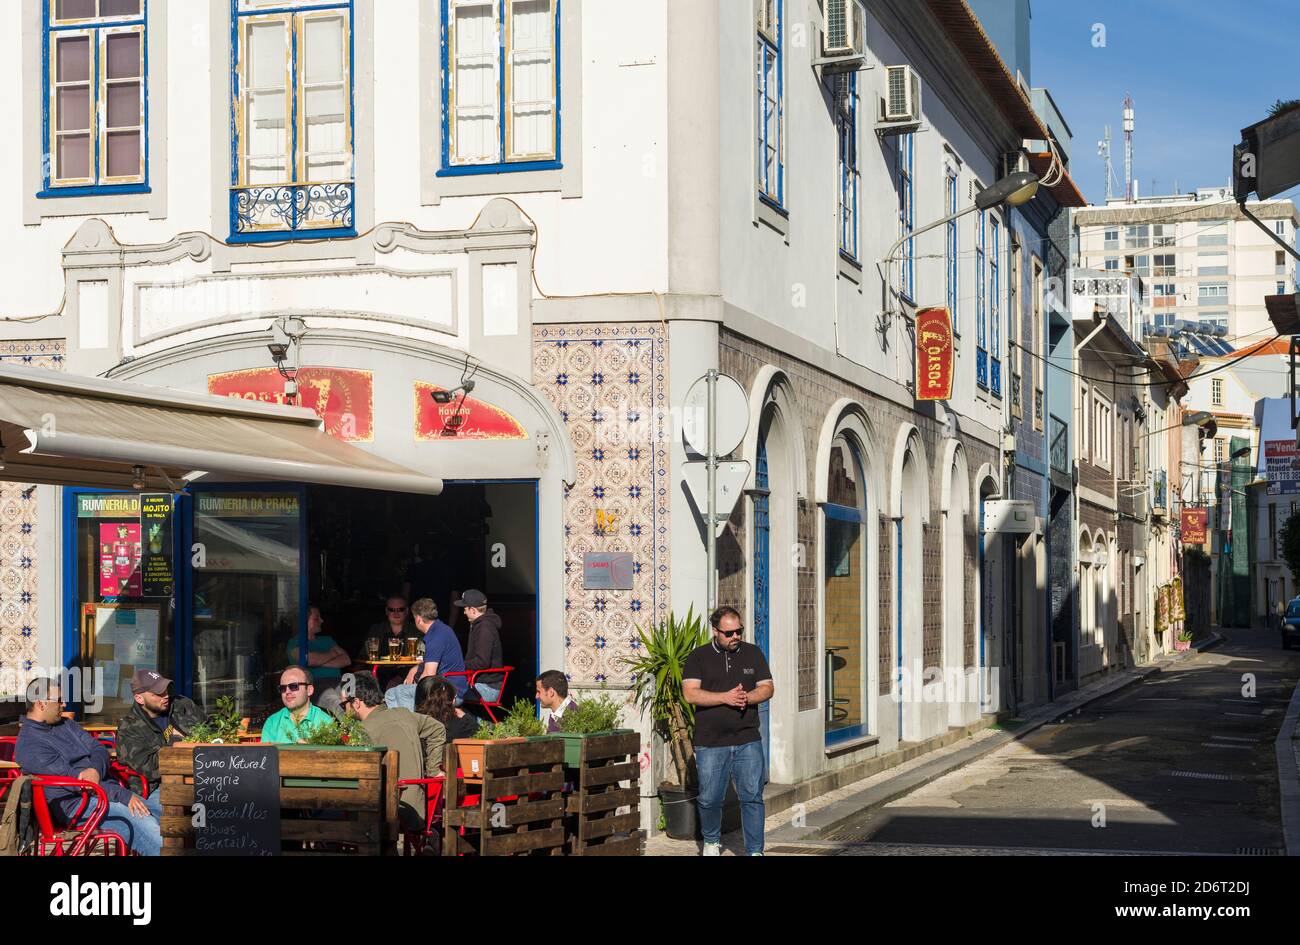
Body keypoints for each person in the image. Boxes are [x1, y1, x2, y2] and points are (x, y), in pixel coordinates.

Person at [15, 676, 163, 856]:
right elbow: (77, 782)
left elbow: (98, 748)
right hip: (77, 806)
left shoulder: (65, 724)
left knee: (166, 816)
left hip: (102, 792)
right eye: (59, 700)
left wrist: (93, 770)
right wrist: (122, 795)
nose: (64, 705)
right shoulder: (30, 744)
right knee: (145, 822)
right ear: (41, 704)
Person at [683, 605, 774, 857]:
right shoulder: (698, 657)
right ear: (715, 631)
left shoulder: (753, 653)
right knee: (710, 798)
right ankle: (711, 842)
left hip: (748, 739)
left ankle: (755, 851)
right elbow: (690, 694)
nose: (735, 637)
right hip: (711, 742)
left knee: (752, 797)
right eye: (729, 633)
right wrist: (726, 698)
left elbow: (767, 687)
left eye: (739, 631)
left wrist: (747, 696)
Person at [342, 673, 446, 832]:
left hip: (387, 815)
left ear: (356, 703)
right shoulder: (404, 714)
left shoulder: (362, 731)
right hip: (419, 809)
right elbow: (438, 729)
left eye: (344, 705)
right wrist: (433, 769)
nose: (343, 710)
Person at [115, 669, 204, 795]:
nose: (165, 695)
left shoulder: (181, 704)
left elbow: (209, 727)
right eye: (158, 693)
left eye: (165, 689)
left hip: (200, 775)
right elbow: (151, 768)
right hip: (157, 789)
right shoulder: (129, 729)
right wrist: (176, 741)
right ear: (139, 698)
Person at [386, 597, 467, 709]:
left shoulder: (435, 637)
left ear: (418, 619)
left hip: (448, 692)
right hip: (451, 686)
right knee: (394, 693)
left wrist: (415, 684)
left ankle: (415, 724)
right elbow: (430, 661)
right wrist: (413, 669)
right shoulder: (441, 629)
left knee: (397, 692)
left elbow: (429, 675)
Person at [287, 605, 350, 713]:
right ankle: (354, 729)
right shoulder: (295, 643)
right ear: (304, 621)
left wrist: (319, 661)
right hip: (316, 684)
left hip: (339, 682)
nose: (321, 620)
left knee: (357, 695)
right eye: (316, 618)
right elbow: (310, 660)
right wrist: (332, 654)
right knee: (334, 701)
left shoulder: (327, 640)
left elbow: (346, 660)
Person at [260, 667, 334, 744]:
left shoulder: (326, 723)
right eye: (283, 688)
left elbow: (330, 755)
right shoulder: (273, 722)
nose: (287, 691)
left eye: (294, 686)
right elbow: (266, 755)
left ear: (309, 690)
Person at [456, 589, 504, 703]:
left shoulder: (484, 628)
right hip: (482, 684)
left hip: (487, 688)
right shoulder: (481, 625)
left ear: (472, 610)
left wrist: (458, 665)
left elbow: (482, 662)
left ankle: (474, 721)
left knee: (444, 697)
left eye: (464, 609)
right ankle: (476, 721)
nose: (464, 612)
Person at [414, 675, 480, 741]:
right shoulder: (458, 727)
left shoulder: (412, 727)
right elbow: (477, 732)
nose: (456, 695)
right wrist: (466, 718)